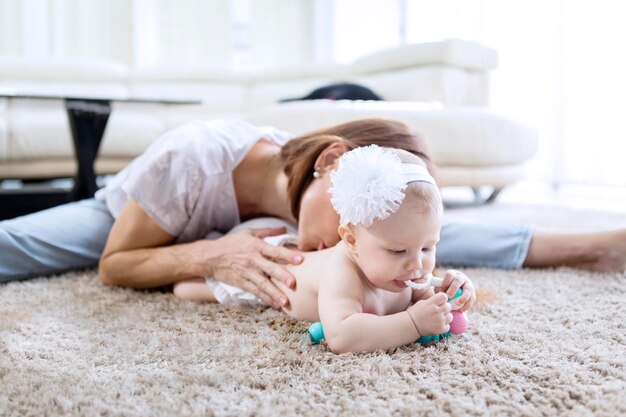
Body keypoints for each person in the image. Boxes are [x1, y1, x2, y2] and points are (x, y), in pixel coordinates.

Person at [0, 119, 624, 307]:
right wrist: (213, 254)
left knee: (400, 243)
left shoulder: (346, 219)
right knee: (17, 247)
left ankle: (590, 245)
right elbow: (116, 264)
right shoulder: (192, 160)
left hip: (261, 225)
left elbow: (404, 239)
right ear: (331, 161)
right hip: (142, 218)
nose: (344, 245)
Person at [173, 146, 476, 353]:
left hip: (294, 258)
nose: (417, 266)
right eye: (398, 252)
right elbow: (341, 336)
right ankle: (205, 244)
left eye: (428, 247)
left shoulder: (407, 265)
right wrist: (411, 324)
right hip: (273, 270)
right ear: (352, 241)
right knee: (188, 289)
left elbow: (422, 296)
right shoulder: (343, 271)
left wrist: (450, 293)